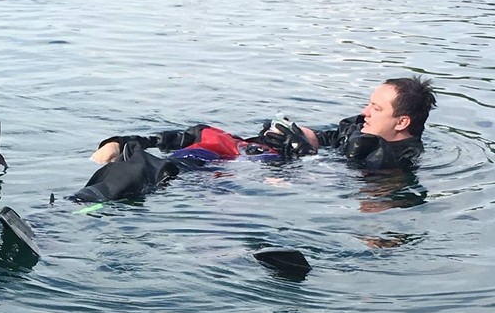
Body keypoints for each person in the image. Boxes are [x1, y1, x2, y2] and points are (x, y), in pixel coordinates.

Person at [79, 76, 437, 201]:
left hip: (260, 178)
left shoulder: (396, 160)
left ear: (402, 122)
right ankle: (132, 144)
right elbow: (323, 137)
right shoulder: (360, 130)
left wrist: (303, 160)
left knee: (167, 171)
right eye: (369, 104)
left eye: (376, 108)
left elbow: (349, 184)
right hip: (255, 159)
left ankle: (76, 207)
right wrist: (291, 133)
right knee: (206, 136)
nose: (365, 111)